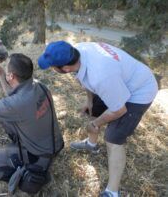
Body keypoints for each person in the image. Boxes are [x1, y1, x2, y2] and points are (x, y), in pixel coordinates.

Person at [38, 41, 158, 197]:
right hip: (117, 80)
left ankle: (112, 192)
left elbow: (119, 109)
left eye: (53, 67)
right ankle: (91, 144)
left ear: (65, 68)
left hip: (139, 90)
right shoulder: (78, 51)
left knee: (113, 139)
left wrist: (95, 123)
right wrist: (90, 101)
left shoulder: (101, 76)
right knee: (94, 107)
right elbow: (85, 78)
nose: (52, 69)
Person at [0, 53, 64, 194]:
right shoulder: (39, 86)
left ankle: (26, 174)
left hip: (39, 156)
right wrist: (2, 74)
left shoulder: (16, 105)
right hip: (54, 145)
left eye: (8, 73)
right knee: (4, 118)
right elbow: (15, 96)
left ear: (12, 77)